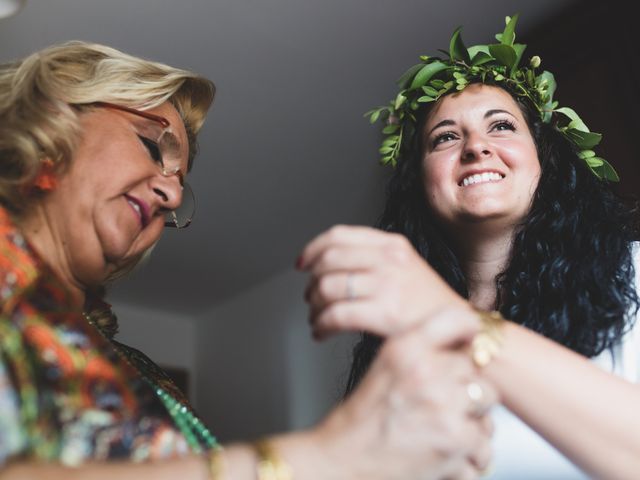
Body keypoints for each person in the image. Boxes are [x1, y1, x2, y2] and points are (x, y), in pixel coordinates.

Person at [0, 41, 496, 479]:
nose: (172, 193)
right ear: (52, 120)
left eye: (181, 180)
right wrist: (328, 455)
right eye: (153, 146)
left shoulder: (141, 373)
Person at [298, 14, 640, 480]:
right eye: (445, 137)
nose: (476, 147)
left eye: (500, 126)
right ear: (420, 185)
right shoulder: (402, 354)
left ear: (545, 159)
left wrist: (457, 321)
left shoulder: (634, 270)